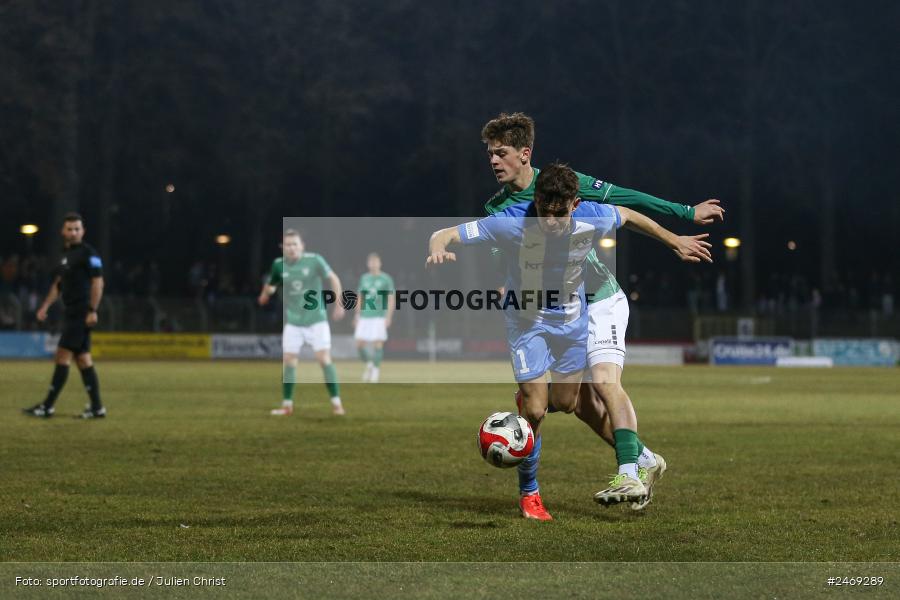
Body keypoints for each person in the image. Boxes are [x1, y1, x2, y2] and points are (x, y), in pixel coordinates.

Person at [428, 163, 711, 520]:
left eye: (560, 214)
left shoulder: (591, 216)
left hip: (572, 321)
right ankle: (530, 488)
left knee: (566, 402)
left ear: (575, 205)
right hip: (527, 323)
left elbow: (628, 214)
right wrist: (438, 248)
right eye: (545, 212)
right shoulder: (511, 221)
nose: (552, 222)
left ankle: (635, 456)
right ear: (538, 202)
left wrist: (675, 241)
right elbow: (447, 233)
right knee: (534, 410)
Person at [480, 112, 723, 510]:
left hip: (598, 298)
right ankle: (644, 458)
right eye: (490, 154)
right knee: (579, 405)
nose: (493, 161)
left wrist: (682, 215)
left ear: (525, 154)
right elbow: (498, 255)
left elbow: (625, 201)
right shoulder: (496, 208)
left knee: (604, 383)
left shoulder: (559, 185)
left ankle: (628, 471)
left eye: (500, 153)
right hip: (550, 312)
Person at [23, 213, 106, 419]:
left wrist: (92, 310)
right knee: (83, 359)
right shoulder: (65, 255)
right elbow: (58, 284)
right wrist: (45, 307)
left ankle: (47, 406)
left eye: (77, 229)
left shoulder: (90, 254)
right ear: (63, 231)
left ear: (83, 231)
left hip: (81, 313)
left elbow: (98, 283)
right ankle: (97, 408)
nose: (73, 232)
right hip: (72, 313)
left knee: (62, 355)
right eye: (70, 229)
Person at [258, 230, 346, 416]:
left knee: (323, 360)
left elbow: (333, 278)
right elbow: (272, 284)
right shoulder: (278, 265)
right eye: (288, 245)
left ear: (302, 246)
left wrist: (339, 303)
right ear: (283, 248)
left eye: (295, 244)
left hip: (316, 320)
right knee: (289, 361)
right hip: (294, 322)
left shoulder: (315, 260)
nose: (291, 248)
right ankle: (287, 405)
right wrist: (265, 294)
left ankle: (337, 404)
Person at [354, 253, 395, 383]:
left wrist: (388, 316)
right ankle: (370, 364)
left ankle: (375, 371)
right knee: (359, 344)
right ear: (368, 264)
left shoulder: (386, 279)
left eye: (375, 262)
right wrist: (357, 315)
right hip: (365, 316)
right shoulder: (364, 278)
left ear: (380, 263)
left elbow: (391, 299)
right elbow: (360, 297)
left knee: (378, 343)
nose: (373, 264)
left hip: (379, 316)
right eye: (371, 262)